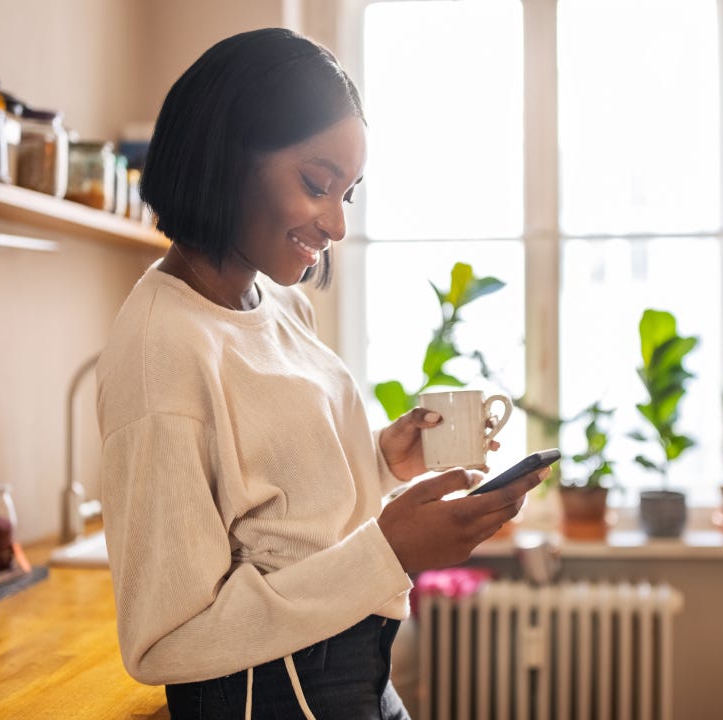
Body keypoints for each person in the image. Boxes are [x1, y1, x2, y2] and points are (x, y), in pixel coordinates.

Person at [97, 28, 546, 720]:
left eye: (350, 194)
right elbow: (165, 642)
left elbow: (284, 517)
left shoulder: (280, 306)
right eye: (316, 183)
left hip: (355, 677)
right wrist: (390, 550)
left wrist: (381, 463)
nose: (336, 222)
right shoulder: (163, 350)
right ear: (227, 156)